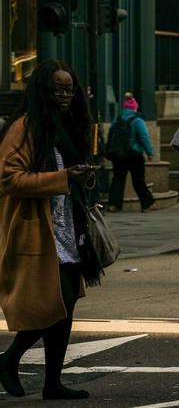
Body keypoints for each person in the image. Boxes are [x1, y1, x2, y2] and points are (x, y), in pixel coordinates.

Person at [0, 60, 104, 401]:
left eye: (69, 89)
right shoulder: (25, 127)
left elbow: (67, 175)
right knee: (52, 303)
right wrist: (62, 179)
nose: (65, 95)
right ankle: (10, 359)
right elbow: (9, 178)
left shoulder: (68, 125)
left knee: (66, 303)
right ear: (42, 89)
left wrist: (82, 177)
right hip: (37, 229)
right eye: (58, 88)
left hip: (66, 229)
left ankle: (52, 383)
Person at [105, 93, 157, 212]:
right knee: (138, 181)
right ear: (134, 107)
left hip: (118, 156)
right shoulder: (137, 120)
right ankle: (146, 204)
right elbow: (144, 137)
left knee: (118, 180)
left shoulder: (117, 119)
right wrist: (150, 153)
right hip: (134, 155)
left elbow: (111, 135)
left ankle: (114, 205)